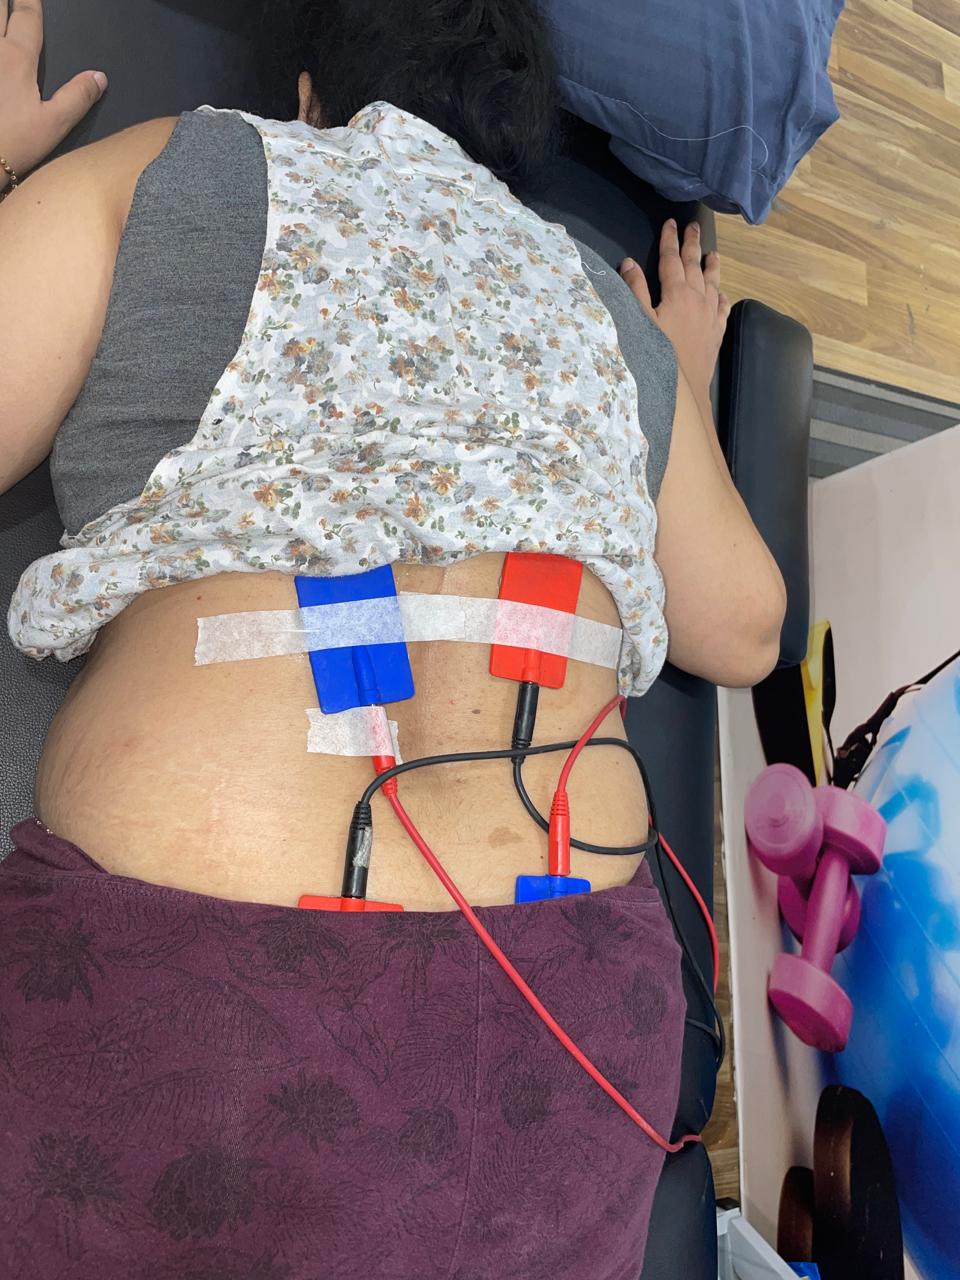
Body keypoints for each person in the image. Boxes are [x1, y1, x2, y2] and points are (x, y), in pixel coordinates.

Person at [0, 1, 786, 1276]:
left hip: (194, 1019)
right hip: (570, 1027)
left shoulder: (189, 168)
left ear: (312, 94)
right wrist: (676, 395)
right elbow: (747, 627)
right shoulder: (603, 309)